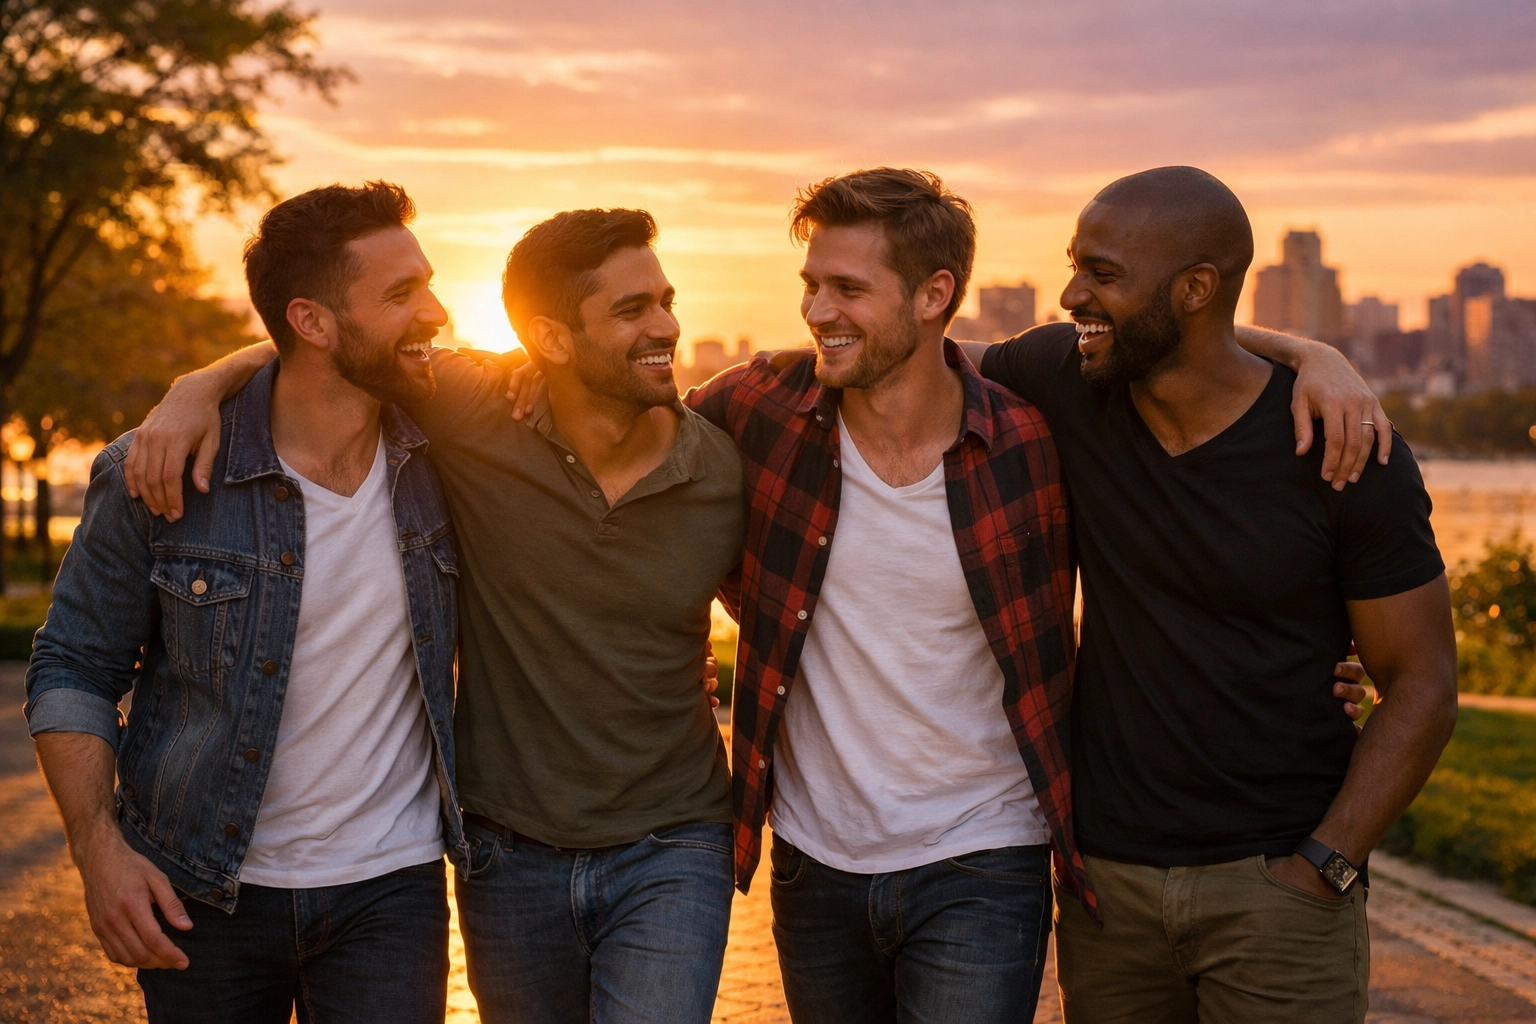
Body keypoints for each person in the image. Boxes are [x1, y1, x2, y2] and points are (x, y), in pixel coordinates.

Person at [124, 207, 744, 1024]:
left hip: (677, 839)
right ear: (550, 342)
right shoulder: (473, 411)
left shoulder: (728, 470)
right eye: (632, 310)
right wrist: (196, 388)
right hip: (506, 850)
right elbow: (329, 353)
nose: (665, 323)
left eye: (665, 299)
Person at [963, 166, 1457, 1023]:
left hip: (1279, 891)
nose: (1072, 292)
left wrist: (1325, 868)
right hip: (1107, 890)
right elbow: (916, 362)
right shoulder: (1069, 378)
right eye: (1076, 264)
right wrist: (1310, 345)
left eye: (1104, 274)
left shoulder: (1342, 452)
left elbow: (1422, 684)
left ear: (1195, 289)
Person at [26, 181, 467, 1022]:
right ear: (312, 321)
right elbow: (73, 663)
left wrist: (207, 373)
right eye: (402, 294)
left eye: (431, 283)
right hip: (201, 889)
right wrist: (96, 851)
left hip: (390, 893)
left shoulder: (448, 448)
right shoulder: (159, 473)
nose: (436, 312)